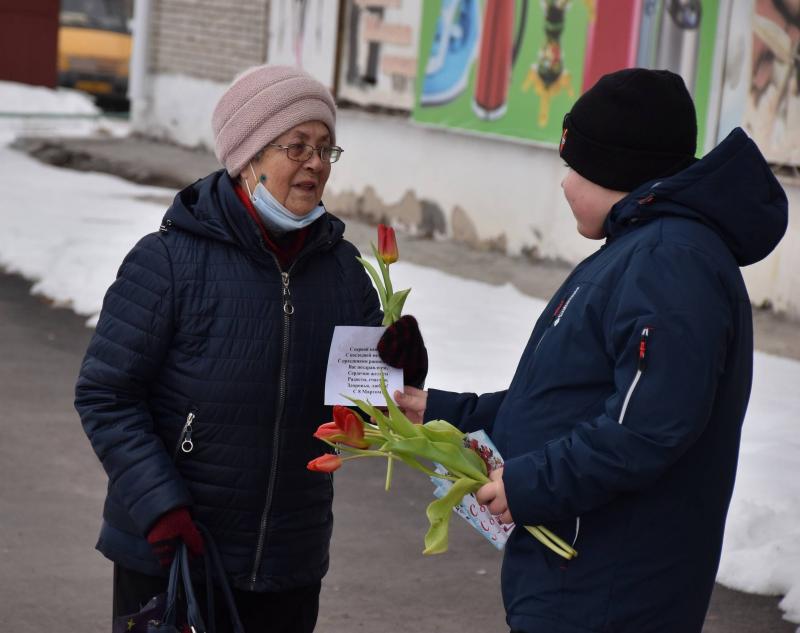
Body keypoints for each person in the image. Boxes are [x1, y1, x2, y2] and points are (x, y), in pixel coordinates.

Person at [395, 68, 788, 633]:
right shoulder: (641, 248)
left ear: (616, 170)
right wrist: (439, 412)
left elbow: (646, 427)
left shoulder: (667, 261)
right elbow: (565, 399)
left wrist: (529, 485)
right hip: (582, 577)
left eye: (574, 167)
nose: (564, 183)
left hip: (611, 589)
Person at [75, 64, 389, 633]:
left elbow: (369, 402)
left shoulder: (343, 271)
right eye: (297, 147)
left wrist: (393, 375)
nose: (315, 164)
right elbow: (106, 394)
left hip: (288, 562)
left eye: (325, 149)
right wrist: (162, 507)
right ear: (248, 158)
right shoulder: (169, 260)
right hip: (175, 550)